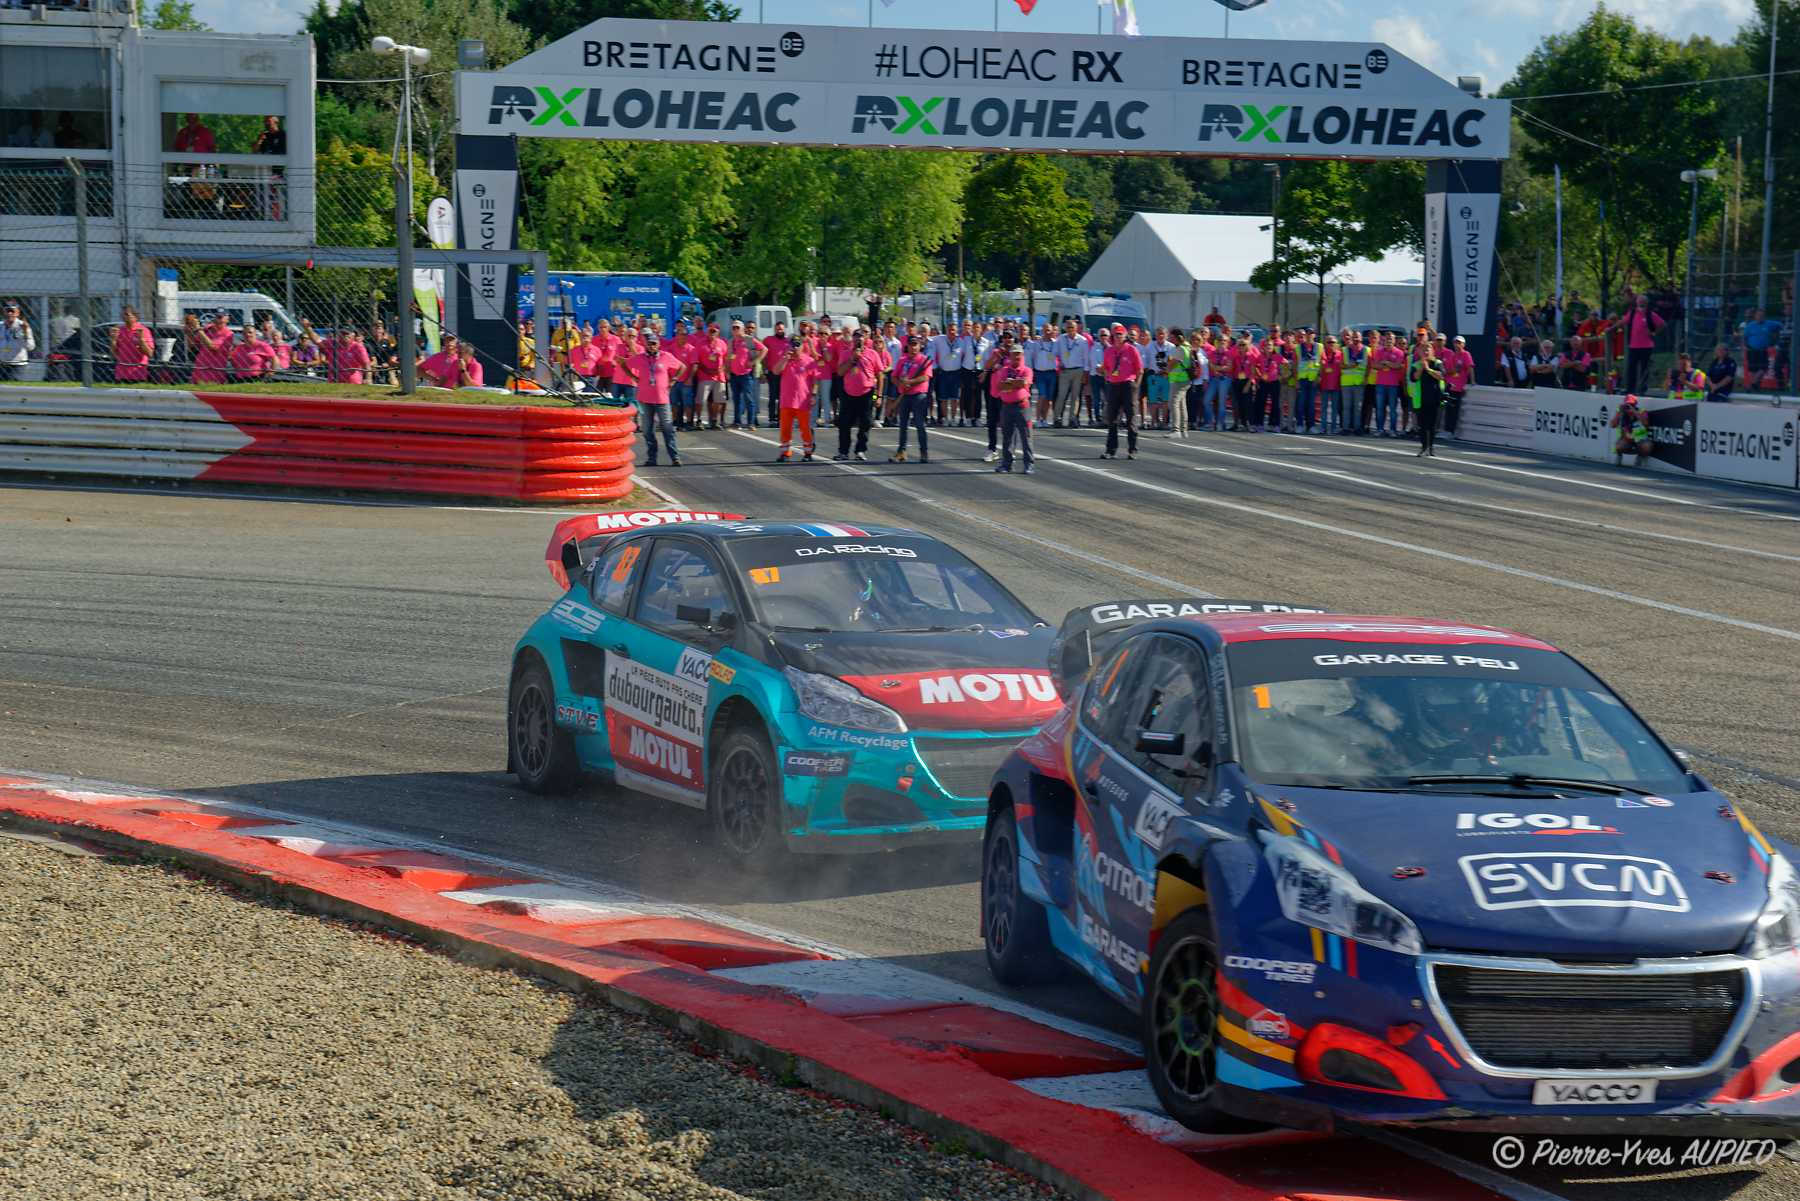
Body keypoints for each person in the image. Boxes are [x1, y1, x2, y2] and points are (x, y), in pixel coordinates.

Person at [626, 331, 683, 467]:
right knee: (647, 430)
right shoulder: (640, 358)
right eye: (649, 344)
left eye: (654, 344)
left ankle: (674, 457)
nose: (651, 346)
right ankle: (652, 458)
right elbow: (625, 364)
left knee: (668, 428)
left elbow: (682, 367)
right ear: (646, 345)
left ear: (658, 345)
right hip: (645, 399)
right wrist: (633, 377)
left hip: (662, 399)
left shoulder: (666, 356)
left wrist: (674, 379)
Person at [834, 329, 886, 462]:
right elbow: (839, 372)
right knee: (844, 424)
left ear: (866, 338)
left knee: (866, 423)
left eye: (861, 336)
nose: (858, 339)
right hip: (848, 393)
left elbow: (880, 375)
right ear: (853, 339)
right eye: (856, 336)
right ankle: (843, 452)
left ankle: (860, 450)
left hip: (868, 394)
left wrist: (878, 396)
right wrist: (852, 360)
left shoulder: (872, 354)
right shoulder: (846, 353)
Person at [773, 333, 821, 462]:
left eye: (797, 345)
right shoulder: (785, 358)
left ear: (802, 347)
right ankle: (785, 453)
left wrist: (814, 395)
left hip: (802, 401)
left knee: (805, 429)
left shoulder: (809, 360)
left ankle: (808, 453)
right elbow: (776, 371)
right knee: (785, 429)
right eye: (792, 345)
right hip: (786, 401)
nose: (794, 348)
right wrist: (785, 358)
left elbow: (816, 379)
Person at [890, 334, 934, 463]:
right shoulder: (902, 360)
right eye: (911, 345)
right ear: (907, 346)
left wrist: (910, 381)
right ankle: (901, 452)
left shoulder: (924, 360)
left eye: (916, 345)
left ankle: (924, 451)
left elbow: (925, 377)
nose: (913, 347)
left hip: (919, 395)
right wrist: (900, 384)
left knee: (920, 424)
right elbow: (894, 377)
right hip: (904, 395)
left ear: (920, 346)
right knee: (903, 425)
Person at [1101, 324, 1142, 460]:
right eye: (1115, 334)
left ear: (1125, 336)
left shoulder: (1131, 350)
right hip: (1113, 385)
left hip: (1128, 385)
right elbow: (1106, 367)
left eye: (1120, 334)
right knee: (1112, 418)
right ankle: (1111, 450)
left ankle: (1132, 449)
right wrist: (1108, 378)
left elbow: (1139, 369)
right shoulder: (1109, 351)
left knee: (1131, 418)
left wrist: (1136, 385)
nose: (1117, 337)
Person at [993, 346, 1036, 474]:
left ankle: (1029, 464)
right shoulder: (1005, 370)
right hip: (1007, 405)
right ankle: (1007, 464)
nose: (1016, 357)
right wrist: (1015, 383)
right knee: (1007, 436)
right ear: (1010, 356)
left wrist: (1010, 383)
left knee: (1026, 436)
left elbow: (1024, 383)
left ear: (1022, 355)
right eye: (1014, 354)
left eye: (1019, 354)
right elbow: (1000, 385)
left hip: (1022, 406)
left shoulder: (1027, 370)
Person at [1411, 338, 1446, 458]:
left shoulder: (1438, 363)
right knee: (1422, 425)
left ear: (1432, 351)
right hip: (1421, 399)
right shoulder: (1416, 364)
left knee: (1432, 425)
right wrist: (1422, 367)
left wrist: (1429, 369)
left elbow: (1441, 376)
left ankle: (1431, 447)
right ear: (1420, 352)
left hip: (1435, 398)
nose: (1426, 352)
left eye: (1428, 349)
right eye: (1423, 350)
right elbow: (1414, 378)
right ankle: (1423, 446)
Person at [1623, 295, 1665, 394]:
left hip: (1647, 346)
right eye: (1639, 301)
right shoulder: (1632, 313)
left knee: (1644, 369)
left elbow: (1662, 324)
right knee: (1631, 368)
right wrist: (1611, 329)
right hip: (1633, 346)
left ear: (1646, 303)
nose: (1641, 303)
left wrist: (1654, 332)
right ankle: (1630, 390)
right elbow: (1623, 321)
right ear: (1637, 302)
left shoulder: (1651, 314)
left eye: (1643, 301)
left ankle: (1642, 389)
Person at [1052, 319, 1088, 428]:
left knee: (1075, 396)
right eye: (1068, 327)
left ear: (1076, 328)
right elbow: (1054, 354)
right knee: (1061, 396)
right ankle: (1057, 418)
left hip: (1078, 370)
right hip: (1065, 371)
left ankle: (1073, 418)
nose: (1070, 330)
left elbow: (1086, 358)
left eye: (1072, 327)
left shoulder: (1082, 340)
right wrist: (1057, 364)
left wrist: (1085, 373)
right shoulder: (1061, 339)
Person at [693, 322, 729, 430]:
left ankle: (714, 420)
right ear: (707, 331)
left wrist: (721, 370)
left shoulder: (722, 343)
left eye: (714, 331)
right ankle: (699, 420)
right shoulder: (700, 343)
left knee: (718, 400)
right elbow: (696, 361)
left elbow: (726, 360)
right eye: (710, 330)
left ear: (718, 332)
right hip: (705, 376)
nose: (712, 333)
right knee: (701, 400)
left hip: (719, 376)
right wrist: (707, 370)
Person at [1441, 335, 1474, 436]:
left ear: (1463, 344)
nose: (1457, 344)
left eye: (1459, 342)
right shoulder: (1452, 355)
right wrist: (1454, 371)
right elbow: (1448, 371)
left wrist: (1472, 381)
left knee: (1454, 410)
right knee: (1448, 409)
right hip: (1450, 385)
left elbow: (1470, 368)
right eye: (1456, 342)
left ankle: (1451, 432)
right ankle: (1446, 430)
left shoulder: (1466, 354)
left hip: (1458, 387)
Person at [111, 307, 154, 383]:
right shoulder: (120, 330)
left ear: (135, 317)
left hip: (138, 373)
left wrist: (141, 340)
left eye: (127, 314)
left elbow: (150, 353)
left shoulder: (143, 330)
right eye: (123, 314)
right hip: (121, 373)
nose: (124, 317)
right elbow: (114, 354)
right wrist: (113, 339)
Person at [1611, 393, 1652, 468]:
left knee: (1647, 446)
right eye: (1627, 405)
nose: (1629, 407)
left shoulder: (1642, 411)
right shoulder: (1621, 412)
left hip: (1640, 440)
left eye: (1631, 405)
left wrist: (1635, 412)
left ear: (1635, 405)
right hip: (1626, 439)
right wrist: (1619, 413)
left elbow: (1646, 424)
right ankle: (1619, 456)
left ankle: (1640, 457)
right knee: (1619, 446)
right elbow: (1612, 425)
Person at [190, 314, 233, 383]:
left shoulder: (228, 334)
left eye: (221, 317)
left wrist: (198, 329)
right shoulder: (207, 328)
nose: (218, 319)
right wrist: (189, 329)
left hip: (214, 375)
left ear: (227, 320)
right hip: (199, 371)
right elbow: (192, 344)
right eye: (217, 317)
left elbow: (212, 347)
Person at [0, 302, 36, 380]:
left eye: (12, 311)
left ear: (17, 313)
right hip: (2, 363)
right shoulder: (0, 325)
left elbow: (30, 347)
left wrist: (25, 331)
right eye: (7, 311)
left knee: (14, 388)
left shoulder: (23, 326)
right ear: (4, 312)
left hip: (18, 364)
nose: (10, 313)